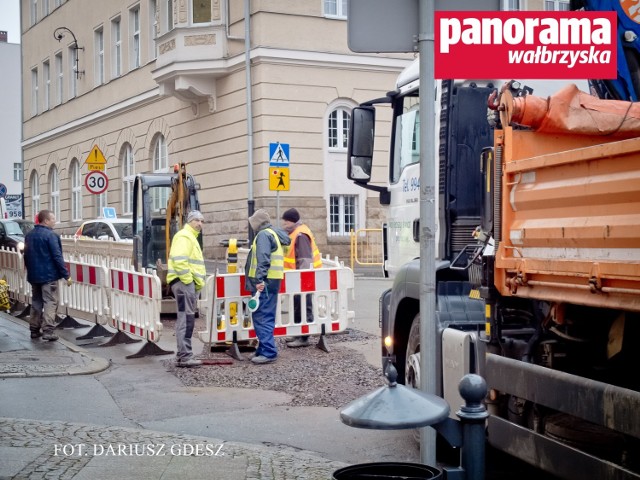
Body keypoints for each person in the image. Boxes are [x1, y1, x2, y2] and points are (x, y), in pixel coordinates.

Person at [244, 209, 291, 364]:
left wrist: (258, 280)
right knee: (265, 316)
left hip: (265, 282)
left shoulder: (263, 235)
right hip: (272, 281)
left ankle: (269, 352)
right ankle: (263, 349)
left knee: (262, 317)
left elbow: (263, 259)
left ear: (257, 222)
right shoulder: (274, 234)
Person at [166, 210, 207, 368]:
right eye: (196, 220)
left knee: (186, 318)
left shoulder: (189, 237)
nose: (199, 223)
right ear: (189, 221)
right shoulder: (185, 236)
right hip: (184, 284)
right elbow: (179, 260)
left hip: (186, 283)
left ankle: (183, 354)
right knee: (186, 319)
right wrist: (188, 281)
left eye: (202, 221)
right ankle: (185, 356)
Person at [23, 210, 71, 341]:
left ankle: (34, 329)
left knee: (36, 301)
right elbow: (57, 256)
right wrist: (66, 275)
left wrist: (29, 270)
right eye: (53, 218)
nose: (55, 221)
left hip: (34, 276)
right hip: (49, 276)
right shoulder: (51, 236)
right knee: (50, 301)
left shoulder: (29, 235)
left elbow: (26, 255)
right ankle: (48, 330)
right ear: (46, 220)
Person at [281, 208, 322, 348]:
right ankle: (298, 333)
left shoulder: (300, 235)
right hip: (296, 278)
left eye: (286, 221)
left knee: (304, 306)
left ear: (292, 221)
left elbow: (304, 259)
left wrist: (303, 280)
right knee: (298, 306)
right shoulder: (294, 234)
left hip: (302, 278)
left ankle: (304, 338)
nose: (284, 223)